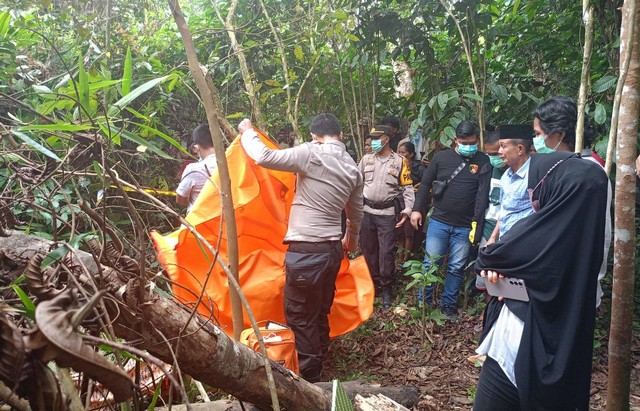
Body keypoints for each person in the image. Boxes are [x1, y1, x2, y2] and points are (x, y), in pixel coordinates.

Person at [473, 151, 608, 411]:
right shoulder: (592, 240)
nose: (533, 197)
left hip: (517, 341)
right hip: (565, 353)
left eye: (536, 188)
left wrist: (501, 270)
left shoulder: (537, 233)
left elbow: (489, 258)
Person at [238, 114, 363, 383]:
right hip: (332, 250)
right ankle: (320, 358)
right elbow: (355, 214)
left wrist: (247, 131)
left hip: (307, 251)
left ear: (314, 136)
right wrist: (349, 243)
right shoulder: (353, 167)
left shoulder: (311, 154)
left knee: (300, 315)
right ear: (339, 135)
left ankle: (310, 380)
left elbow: (263, 156)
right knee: (318, 309)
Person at [532, 96, 611, 307]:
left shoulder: (587, 171)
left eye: (539, 134)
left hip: (573, 280)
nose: (536, 140)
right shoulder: (568, 166)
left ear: (559, 134)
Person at [410, 120, 489, 320]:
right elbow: (426, 184)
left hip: (465, 226)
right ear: (455, 140)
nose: (469, 146)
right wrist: (416, 210)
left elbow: (484, 194)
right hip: (439, 222)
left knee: (456, 267)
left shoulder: (483, 161)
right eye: (465, 142)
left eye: (473, 142)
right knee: (430, 264)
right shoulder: (441, 158)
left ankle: (448, 306)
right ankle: (424, 304)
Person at [359, 125, 414, 309]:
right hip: (367, 212)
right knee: (368, 250)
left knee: (386, 252)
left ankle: (386, 287)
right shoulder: (366, 159)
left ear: (386, 139)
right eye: (372, 138)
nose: (373, 142)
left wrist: (407, 211)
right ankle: (372, 284)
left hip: (387, 214)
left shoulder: (399, 161)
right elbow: (356, 183)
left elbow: (407, 189)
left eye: (377, 138)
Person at [469, 129, 506, 293]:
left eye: (495, 154)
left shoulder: (519, 171)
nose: (494, 158)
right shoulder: (487, 169)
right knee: (485, 273)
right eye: (489, 154)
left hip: (508, 226)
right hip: (488, 225)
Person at [486, 124, 535, 243]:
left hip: (525, 242)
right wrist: (493, 238)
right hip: (505, 240)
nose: (499, 151)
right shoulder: (506, 176)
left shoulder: (535, 175)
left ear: (520, 149)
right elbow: (504, 210)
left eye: (503, 147)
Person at [176, 124, 217, 212]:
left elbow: (180, 198)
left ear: (197, 147)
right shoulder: (231, 164)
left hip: (199, 221)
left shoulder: (193, 169)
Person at [397, 141, 426, 261]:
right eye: (399, 152)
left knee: (409, 232)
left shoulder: (419, 167)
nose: (400, 155)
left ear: (412, 154)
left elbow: (425, 183)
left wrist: (415, 187)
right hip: (399, 201)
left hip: (413, 201)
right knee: (399, 231)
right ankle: (399, 256)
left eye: (403, 153)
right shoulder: (396, 164)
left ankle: (406, 258)